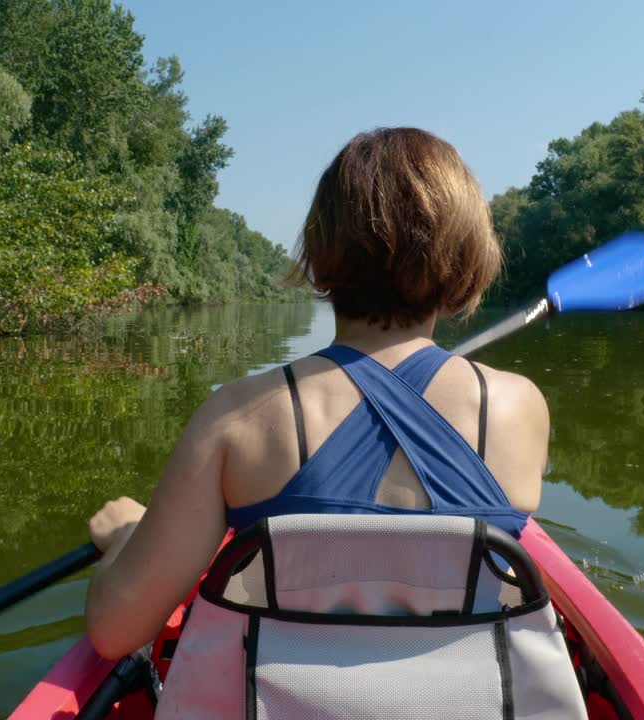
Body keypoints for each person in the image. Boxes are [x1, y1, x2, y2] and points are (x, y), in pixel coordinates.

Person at [85, 127, 552, 661]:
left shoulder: (236, 417)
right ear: (465, 259)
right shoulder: (519, 407)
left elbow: (115, 631)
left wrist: (127, 537)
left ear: (322, 252)